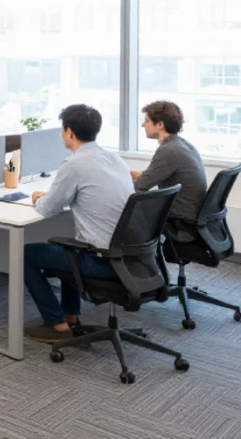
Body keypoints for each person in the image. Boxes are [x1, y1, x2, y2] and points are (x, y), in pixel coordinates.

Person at [23, 104, 134, 343]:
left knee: (25, 255)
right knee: (70, 246)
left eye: (62, 130)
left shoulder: (74, 164)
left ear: (70, 132)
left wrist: (37, 196)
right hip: (132, 258)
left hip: (102, 261)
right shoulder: (115, 159)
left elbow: (48, 208)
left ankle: (57, 325)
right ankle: (71, 314)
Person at [132, 101, 208, 229]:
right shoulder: (183, 145)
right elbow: (164, 175)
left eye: (147, 120)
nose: (143, 125)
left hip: (179, 219)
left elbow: (139, 186)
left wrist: (117, 183)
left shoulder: (168, 150)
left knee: (127, 207)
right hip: (192, 213)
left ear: (160, 125)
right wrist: (141, 175)